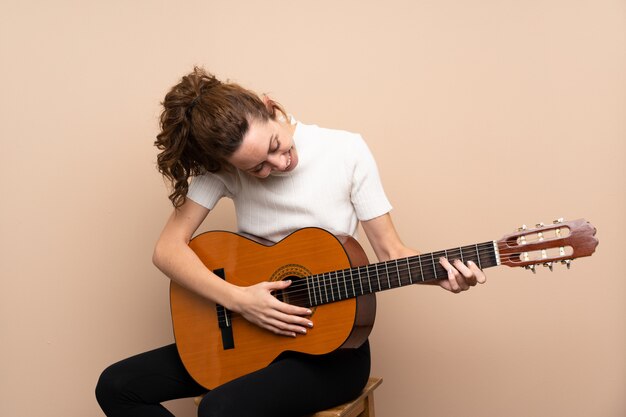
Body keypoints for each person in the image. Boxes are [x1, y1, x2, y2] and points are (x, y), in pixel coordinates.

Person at [95, 67, 486, 417]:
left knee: (220, 410)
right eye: (258, 168)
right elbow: (167, 249)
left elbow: (391, 253)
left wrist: (444, 276)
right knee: (116, 387)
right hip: (244, 336)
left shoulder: (347, 151)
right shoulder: (224, 170)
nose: (278, 165)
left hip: (331, 353)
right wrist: (240, 300)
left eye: (274, 146)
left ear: (270, 107)